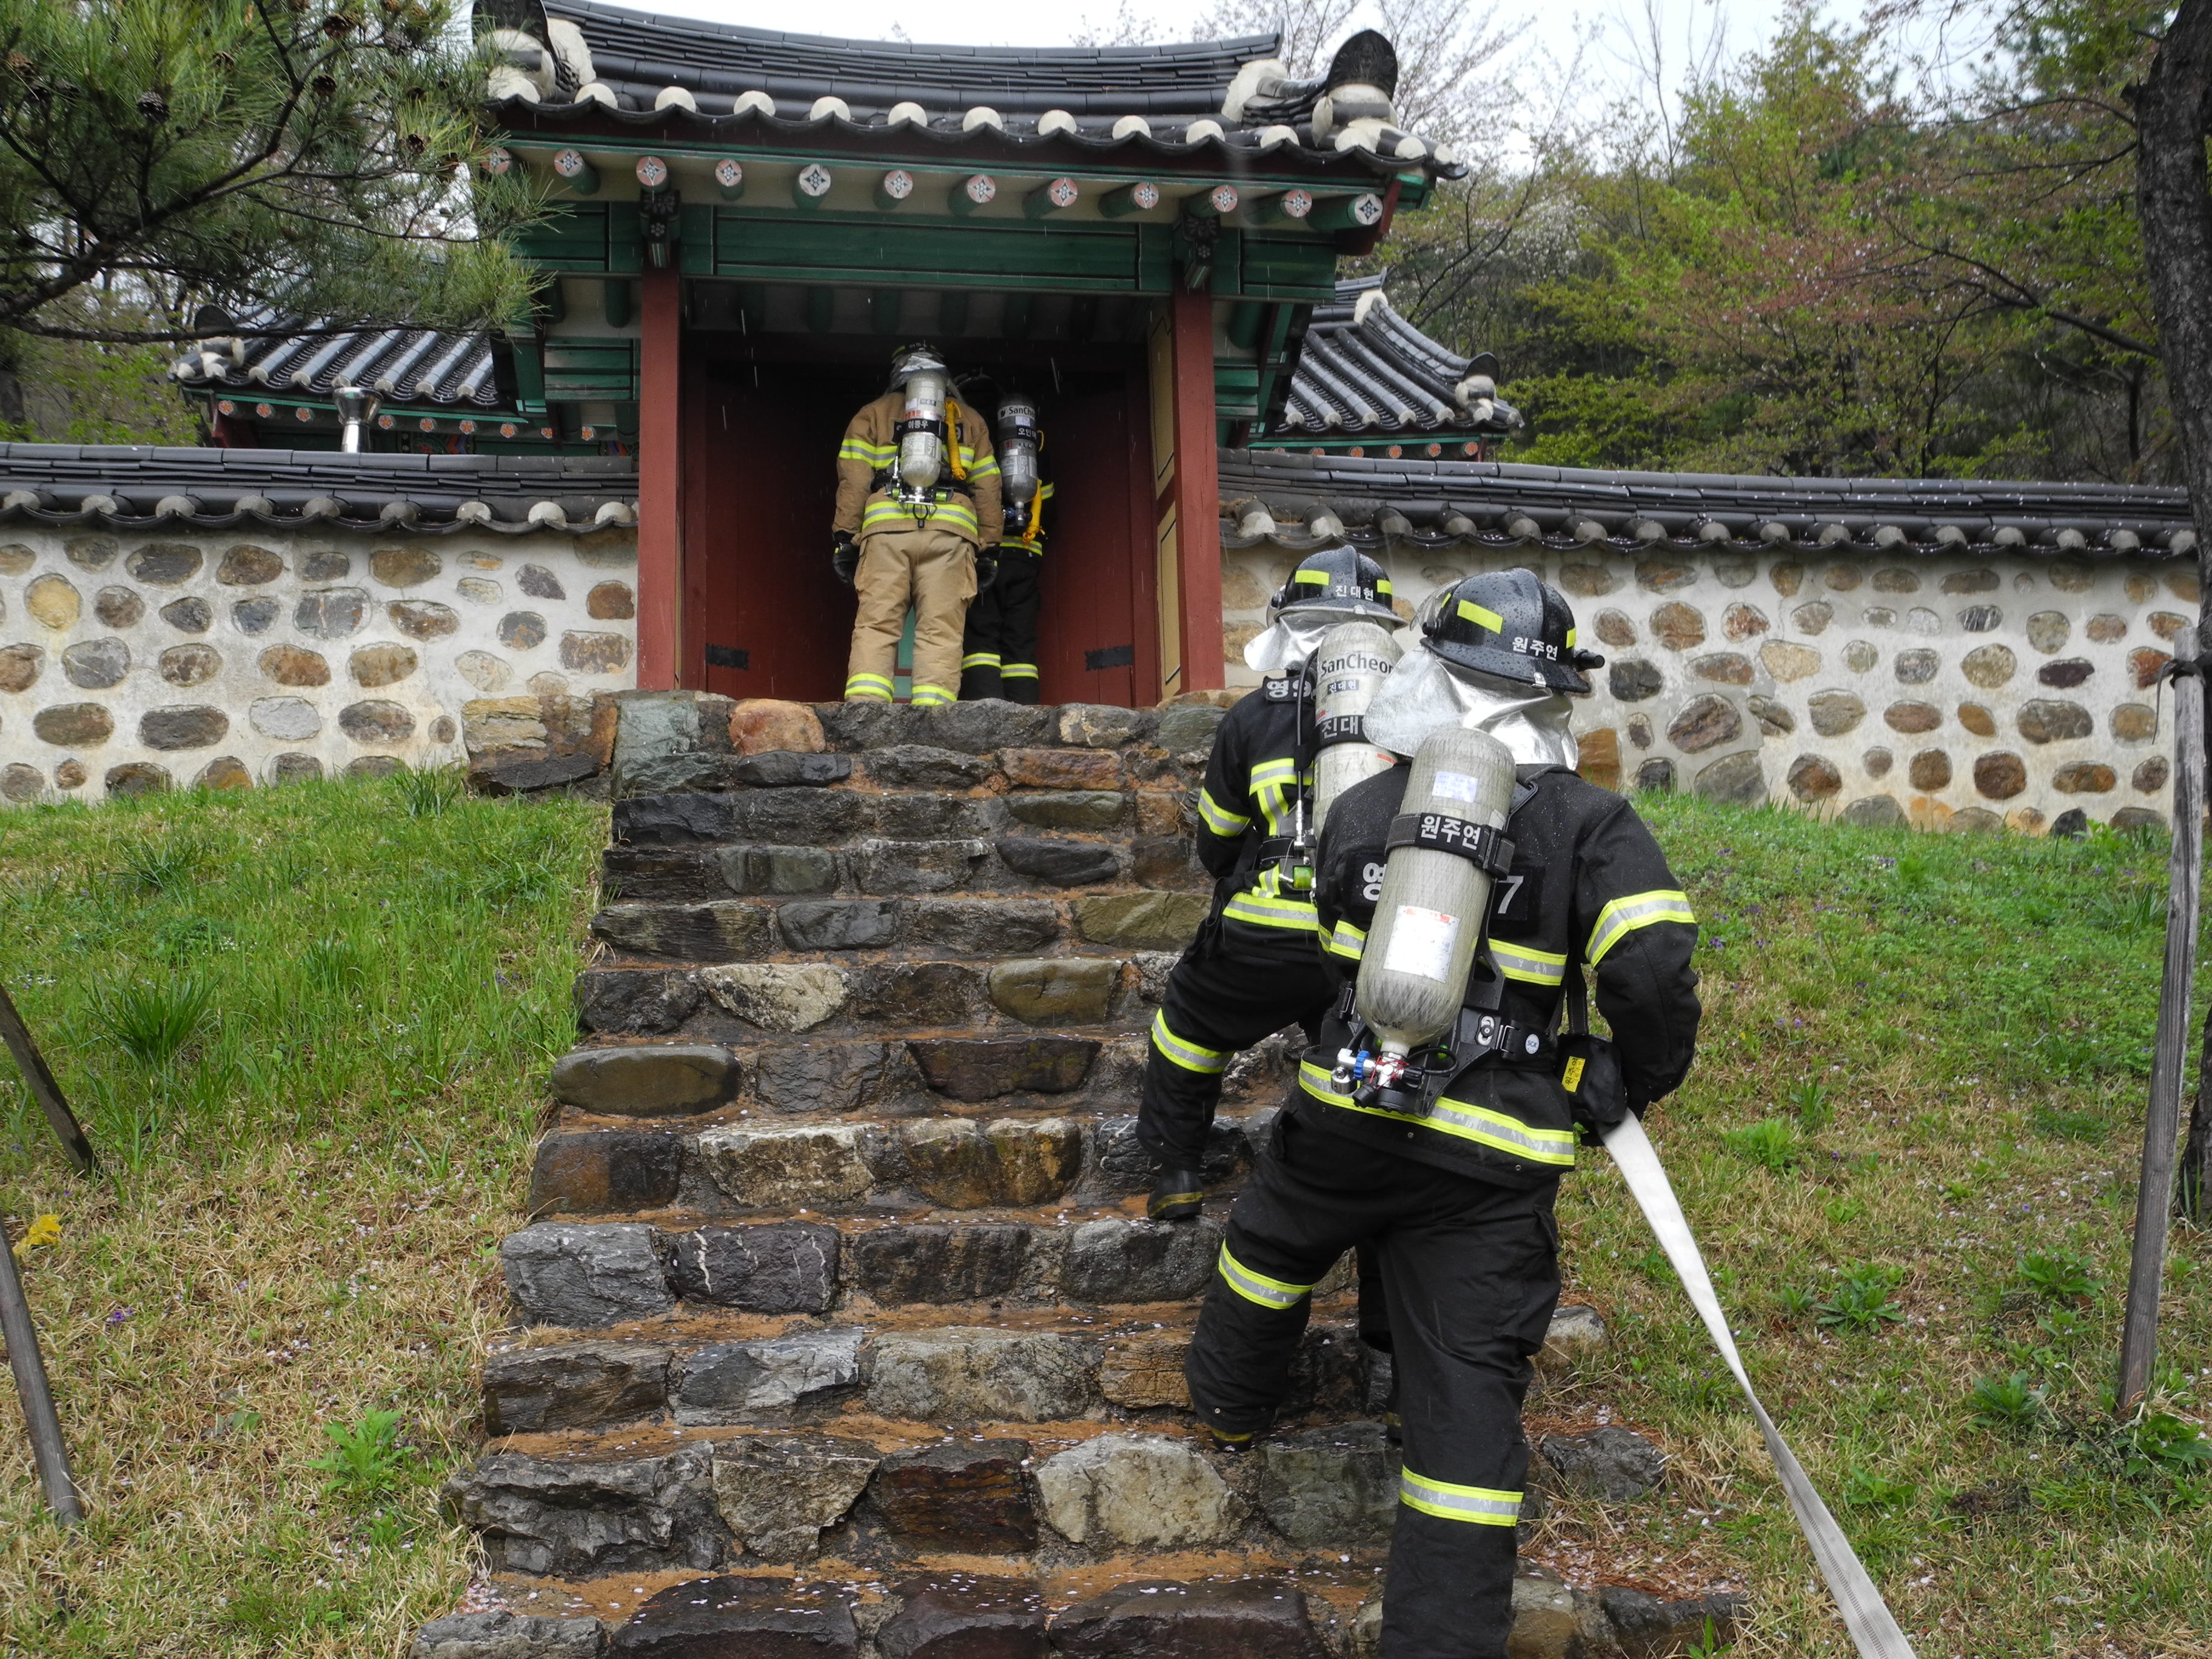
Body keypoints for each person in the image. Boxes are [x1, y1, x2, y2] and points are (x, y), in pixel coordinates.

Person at [1182, 568, 1703, 1659]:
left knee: (1269, 1249)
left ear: (1433, 672)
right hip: (1490, 1160)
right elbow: (1651, 964)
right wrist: (1630, 1075)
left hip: (1347, 1115)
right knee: (1467, 1407)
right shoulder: (1591, 822)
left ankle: (1229, 1409)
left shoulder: (1363, 806)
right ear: (1552, 692)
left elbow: (1338, 964)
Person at [1137, 545, 1405, 1221]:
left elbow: (1217, 840)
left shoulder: (1253, 717)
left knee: (1188, 1022)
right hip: (1365, 935)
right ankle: (1361, 1184)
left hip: (1264, 932)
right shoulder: (1408, 718)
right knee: (1352, 1045)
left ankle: (1178, 1172)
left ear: (1289, 623)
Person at [832, 343, 1001, 708]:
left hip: (887, 531)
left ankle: (866, 710)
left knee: (877, 625)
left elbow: (854, 482)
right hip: (950, 534)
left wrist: (845, 538)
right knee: (940, 630)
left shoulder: (872, 414)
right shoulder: (971, 420)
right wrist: (989, 547)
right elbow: (988, 488)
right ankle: (934, 715)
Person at [960, 389, 1053, 703]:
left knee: (981, 636)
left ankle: (986, 706)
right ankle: (1024, 710)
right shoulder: (1034, 448)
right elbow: (1050, 507)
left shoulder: (976, 440)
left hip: (988, 555)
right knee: (1020, 641)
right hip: (1026, 556)